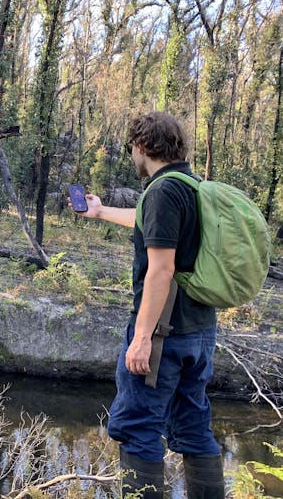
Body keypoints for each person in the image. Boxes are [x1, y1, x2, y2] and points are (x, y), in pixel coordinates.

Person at [70, 112, 225, 498]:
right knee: (193, 426)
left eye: (131, 148)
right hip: (200, 333)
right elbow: (150, 224)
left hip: (163, 336)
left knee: (138, 428)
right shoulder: (192, 186)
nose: (132, 156)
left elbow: (161, 270)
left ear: (142, 146)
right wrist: (101, 211)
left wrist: (142, 337)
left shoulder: (161, 192)